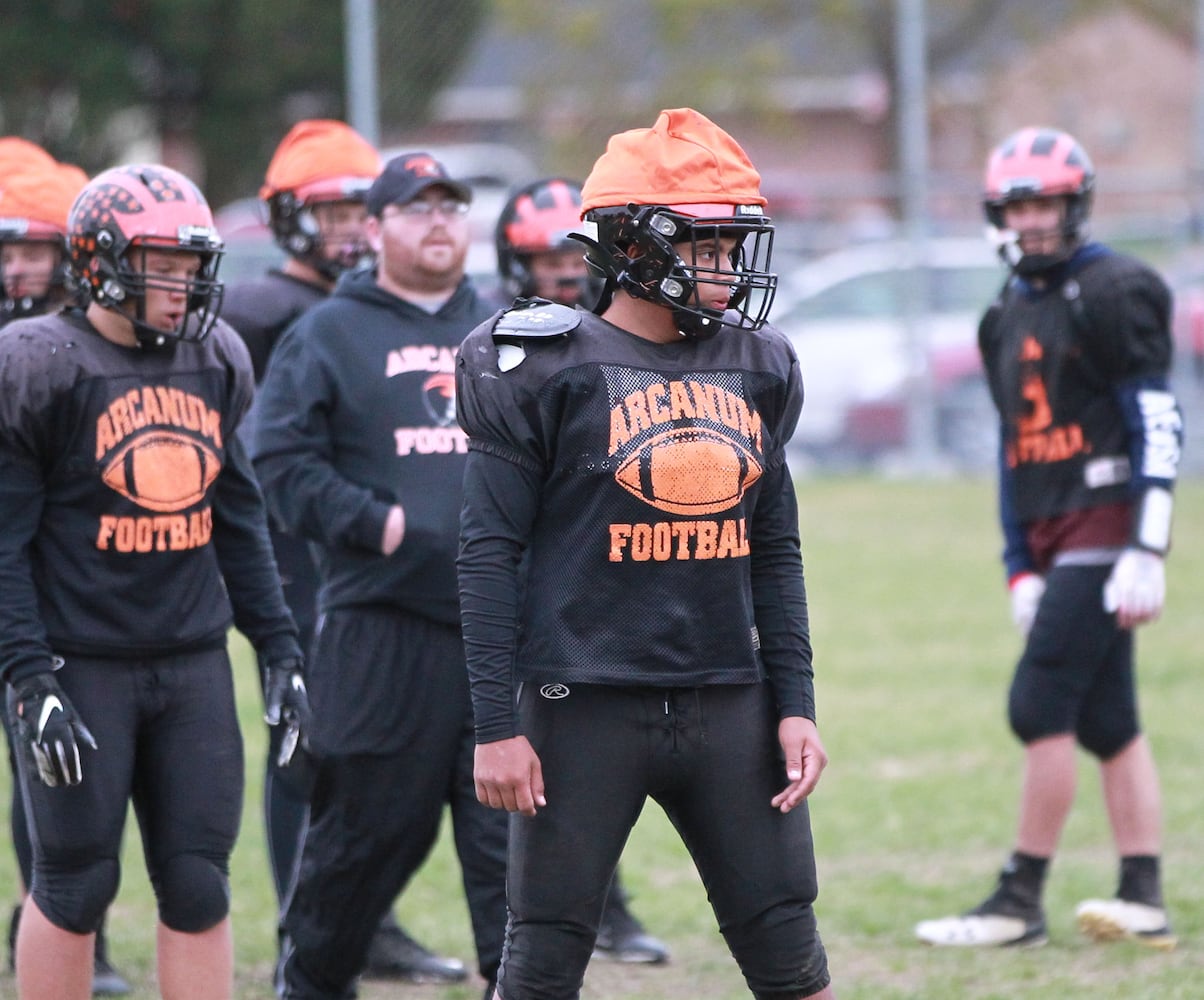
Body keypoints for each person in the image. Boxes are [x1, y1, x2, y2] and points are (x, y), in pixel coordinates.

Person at [457, 107, 837, 1000]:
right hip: (581, 700)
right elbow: (484, 556)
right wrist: (495, 726)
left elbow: (773, 549)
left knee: (788, 942)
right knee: (545, 952)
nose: (729, 266)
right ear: (631, 242)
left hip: (728, 700)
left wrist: (796, 701)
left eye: (732, 242)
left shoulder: (759, 362)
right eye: (704, 242)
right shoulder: (540, 364)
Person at [0, 162, 311, 1000]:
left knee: (199, 878)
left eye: (190, 265)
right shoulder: (41, 361)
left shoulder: (214, 356)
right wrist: (28, 678)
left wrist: (281, 649)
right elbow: (4, 544)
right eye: (162, 265)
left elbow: (240, 519)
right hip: (80, 661)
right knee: (73, 879)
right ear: (98, 262)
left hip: (191, 662)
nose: (183, 285)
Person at [914, 126, 1183, 951]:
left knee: (1038, 704)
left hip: (1105, 522)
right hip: (1051, 529)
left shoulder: (1116, 288)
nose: (1034, 220)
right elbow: (1012, 453)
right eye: (1020, 204)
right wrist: (1015, 565)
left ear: (1077, 204)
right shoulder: (1004, 315)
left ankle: (1018, 898)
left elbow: (1156, 417)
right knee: (1109, 719)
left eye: (1048, 203)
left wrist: (1149, 541)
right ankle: (1142, 895)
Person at [253, 151, 509, 1000]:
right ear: (374, 229)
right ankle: (314, 983)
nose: (439, 221)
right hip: (382, 633)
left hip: (501, 637)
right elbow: (276, 460)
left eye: (452, 206)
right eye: (416, 208)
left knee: (516, 862)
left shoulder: (509, 329)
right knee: (356, 849)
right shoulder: (330, 331)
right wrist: (375, 521)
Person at [489, 175, 670, 967]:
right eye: (542, 262)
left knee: (599, 754)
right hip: (530, 578)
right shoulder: (509, 350)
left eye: (572, 262)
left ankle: (610, 908)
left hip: (606, 577)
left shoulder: (619, 342)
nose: (562, 277)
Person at [0, 153, 137, 997]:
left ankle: (57, 927)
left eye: (35, 251)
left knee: (45, 768)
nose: (18, 267)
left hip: (47, 587)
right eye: (4, 251)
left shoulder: (85, 342)